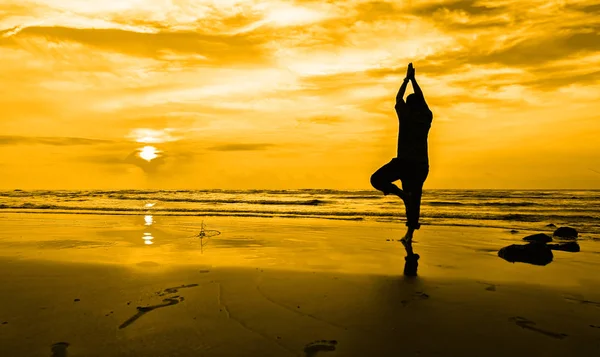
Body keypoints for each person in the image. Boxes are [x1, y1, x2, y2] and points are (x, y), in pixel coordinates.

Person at [370, 63, 433, 245]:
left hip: (405, 163)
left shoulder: (406, 115)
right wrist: (414, 80)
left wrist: (406, 80)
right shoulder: (426, 117)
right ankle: (409, 235)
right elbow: (422, 99)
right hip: (421, 166)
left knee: (376, 180)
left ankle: (401, 195)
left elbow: (398, 98)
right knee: (414, 200)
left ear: (409, 106)